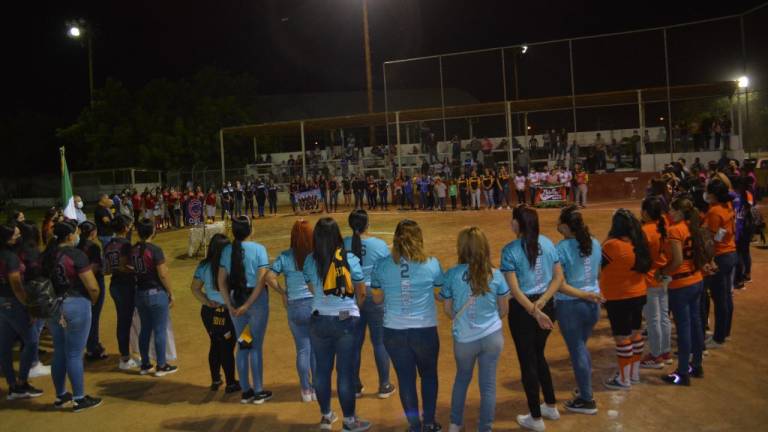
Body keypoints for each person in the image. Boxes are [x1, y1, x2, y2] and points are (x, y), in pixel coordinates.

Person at [370, 220, 443, 432]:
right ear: (419, 238)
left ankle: (414, 426)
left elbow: (376, 299)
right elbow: (439, 295)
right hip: (425, 330)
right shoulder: (432, 263)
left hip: (394, 331)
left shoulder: (381, 265)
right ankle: (429, 423)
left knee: (405, 379)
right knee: (429, 375)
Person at [302, 217, 371, 431]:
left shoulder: (310, 260)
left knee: (322, 371)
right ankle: (349, 421)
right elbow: (361, 291)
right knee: (345, 372)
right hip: (344, 318)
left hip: (318, 318)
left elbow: (312, 287)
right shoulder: (349, 258)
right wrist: (353, 309)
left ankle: (326, 416)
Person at [441, 227, 510, 432]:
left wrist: (462, 320)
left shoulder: (453, 274)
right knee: (488, 385)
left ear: (461, 248)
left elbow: (447, 310)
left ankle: (455, 424)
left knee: (462, 379)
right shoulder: (496, 274)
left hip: (464, 340)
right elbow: (504, 310)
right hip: (492, 338)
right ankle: (485, 428)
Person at [501, 206, 562, 432]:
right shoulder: (548, 243)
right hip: (547, 308)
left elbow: (515, 291)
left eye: (512, 220)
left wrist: (534, 311)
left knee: (528, 362)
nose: (510, 223)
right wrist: (543, 304)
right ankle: (551, 405)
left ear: (518, 223)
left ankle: (536, 418)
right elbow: (558, 279)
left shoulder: (510, 250)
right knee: (539, 355)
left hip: (525, 312)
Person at [41, 220, 102, 411]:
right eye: (75, 232)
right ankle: (79, 398)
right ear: (69, 236)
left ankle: (61, 396)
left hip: (55, 307)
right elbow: (92, 286)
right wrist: (91, 301)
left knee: (60, 351)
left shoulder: (48, 254)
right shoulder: (76, 254)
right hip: (75, 305)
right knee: (75, 353)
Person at [554, 206, 604, 414]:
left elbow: (560, 283)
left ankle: (586, 399)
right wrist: (588, 293)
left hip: (571, 305)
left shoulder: (562, 248)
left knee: (577, 350)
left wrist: (582, 294)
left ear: (565, 226)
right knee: (581, 348)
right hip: (593, 304)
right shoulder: (594, 243)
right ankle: (584, 388)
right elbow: (597, 273)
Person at [217, 216, 272, 404]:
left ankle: (246, 391)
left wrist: (230, 304)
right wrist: (247, 305)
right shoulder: (259, 249)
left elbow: (221, 280)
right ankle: (258, 391)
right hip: (254, 302)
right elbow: (261, 280)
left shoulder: (227, 250)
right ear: (250, 229)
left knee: (243, 344)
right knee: (255, 347)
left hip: (236, 300)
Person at [342, 210, 395, 400]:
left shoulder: (344, 244)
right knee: (379, 342)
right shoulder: (379, 244)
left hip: (352, 297)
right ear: (367, 224)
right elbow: (389, 269)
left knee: (355, 343)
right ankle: (384, 385)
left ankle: (355, 385)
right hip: (374, 295)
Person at [264, 220, 316, 402]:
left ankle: (305, 390)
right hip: (314, 306)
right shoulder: (314, 255)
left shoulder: (285, 256)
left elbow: (269, 277)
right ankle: (316, 388)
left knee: (303, 350)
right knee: (315, 350)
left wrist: (282, 292)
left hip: (294, 307)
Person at [600, 209, 651, 391]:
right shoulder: (638, 242)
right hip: (639, 294)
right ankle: (634, 374)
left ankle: (623, 379)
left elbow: (600, 266)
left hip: (618, 297)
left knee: (622, 337)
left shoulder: (612, 245)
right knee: (636, 333)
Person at [657, 198, 707, 385]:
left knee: (684, 328)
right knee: (696, 324)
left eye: (671, 209)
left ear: (679, 212)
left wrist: (663, 272)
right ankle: (697, 364)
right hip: (696, 279)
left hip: (682, 284)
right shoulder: (692, 226)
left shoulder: (675, 230)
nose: (669, 212)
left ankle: (683, 371)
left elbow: (677, 261)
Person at [190, 233, 240, 393]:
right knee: (227, 348)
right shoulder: (229, 265)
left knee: (215, 343)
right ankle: (231, 383)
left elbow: (195, 288)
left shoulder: (204, 265)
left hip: (210, 312)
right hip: (226, 312)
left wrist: (207, 302)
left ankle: (216, 379)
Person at [0, 222, 45, 400]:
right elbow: (17, 286)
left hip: (2, 302)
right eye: (15, 235)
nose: (18, 238)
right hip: (13, 302)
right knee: (32, 341)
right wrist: (29, 307)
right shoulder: (11, 258)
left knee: (4, 345)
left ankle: (12, 385)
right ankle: (21, 383)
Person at [130, 219, 178, 377]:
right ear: (152, 231)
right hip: (156, 293)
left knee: (145, 329)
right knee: (159, 330)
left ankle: (145, 364)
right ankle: (161, 366)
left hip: (140, 293)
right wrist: (171, 292)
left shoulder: (134, 249)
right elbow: (163, 274)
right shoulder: (154, 249)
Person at [639, 197, 673, 369]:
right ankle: (665, 352)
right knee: (664, 317)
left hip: (650, 278)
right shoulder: (664, 227)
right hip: (663, 276)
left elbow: (640, 258)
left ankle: (656, 355)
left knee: (653, 319)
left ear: (645, 212)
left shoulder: (644, 231)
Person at [702, 179, 736, 348]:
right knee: (726, 296)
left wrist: (710, 259)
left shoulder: (715, 211)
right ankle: (724, 332)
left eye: (708, 192)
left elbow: (712, 240)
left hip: (720, 256)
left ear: (714, 194)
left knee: (719, 298)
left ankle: (719, 337)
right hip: (730, 253)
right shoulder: (728, 205)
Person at [102, 215, 139, 371]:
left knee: (123, 321)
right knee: (127, 322)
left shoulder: (108, 244)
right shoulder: (126, 245)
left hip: (115, 285)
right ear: (125, 228)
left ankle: (126, 354)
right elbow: (126, 266)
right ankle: (125, 358)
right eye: (129, 225)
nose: (131, 227)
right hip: (126, 285)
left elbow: (107, 269)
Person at [76, 221, 108, 361]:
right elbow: (94, 267)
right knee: (94, 316)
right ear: (92, 232)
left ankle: (91, 344)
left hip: (80, 284)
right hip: (93, 282)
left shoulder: (77, 245)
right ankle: (93, 347)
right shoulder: (93, 247)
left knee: (89, 316)